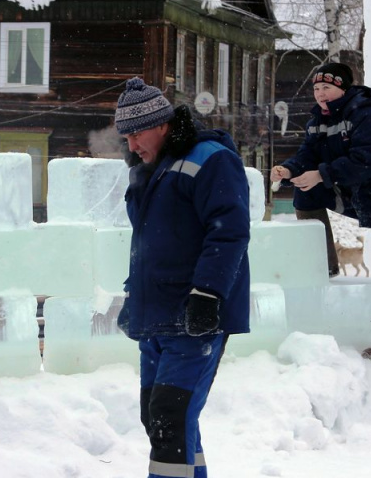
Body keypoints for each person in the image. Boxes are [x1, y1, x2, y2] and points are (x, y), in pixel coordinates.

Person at [115, 77, 251, 478]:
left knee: (169, 417)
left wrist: (207, 294)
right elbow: (151, 245)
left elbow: (229, 231)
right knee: (159, 417)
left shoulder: (210, 159)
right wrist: (132, 297)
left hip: (193, 314)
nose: (131, 145)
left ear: (162, 124)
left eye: (137, 133)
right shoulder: (152, 171)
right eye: (125, 137)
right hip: (156, 314)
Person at [270, 62, 371, 361]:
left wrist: (321, 174)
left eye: (327, 87)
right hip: (357, 195)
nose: (320, 94)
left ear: (344, 88)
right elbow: (308, 154)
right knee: (306, 189)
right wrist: (289, 168)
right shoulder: (319, 119)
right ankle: (323, 263)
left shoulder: (366, 113)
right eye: (316, 88)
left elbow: (366, 159)